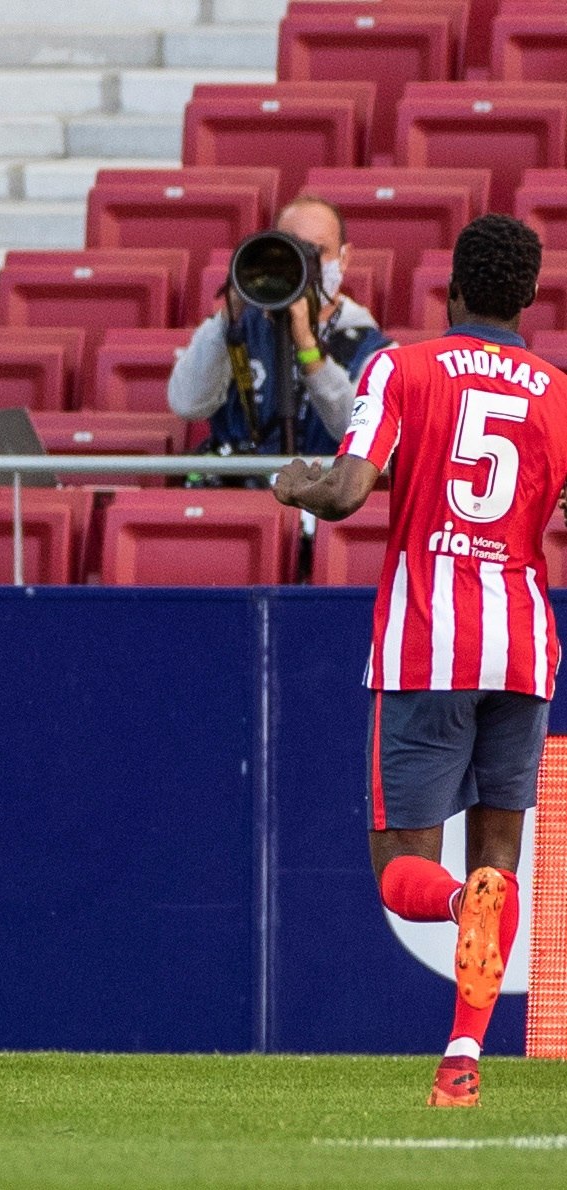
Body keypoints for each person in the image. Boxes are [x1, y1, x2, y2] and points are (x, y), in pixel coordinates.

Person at [273, 214, 567, 1108]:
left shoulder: (401, 366)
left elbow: (350, 489)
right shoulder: (558, 391)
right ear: (527, 298)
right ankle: (462, 1061)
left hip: (426, 642)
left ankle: (452, 913)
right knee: (496, 863)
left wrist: (297, 484)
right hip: (521, 641)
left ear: (453, 290)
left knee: (405, 868)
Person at [170, 194, 390, 458]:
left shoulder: (373, 351)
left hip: (319, 491)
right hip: (235, 489)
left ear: (343, 258)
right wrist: (229, 317)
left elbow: (364, 435)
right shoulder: (240, 328)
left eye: (316, 252)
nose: (304, 264)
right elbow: (187, 404)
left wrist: (309, 348)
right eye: (291, 250)